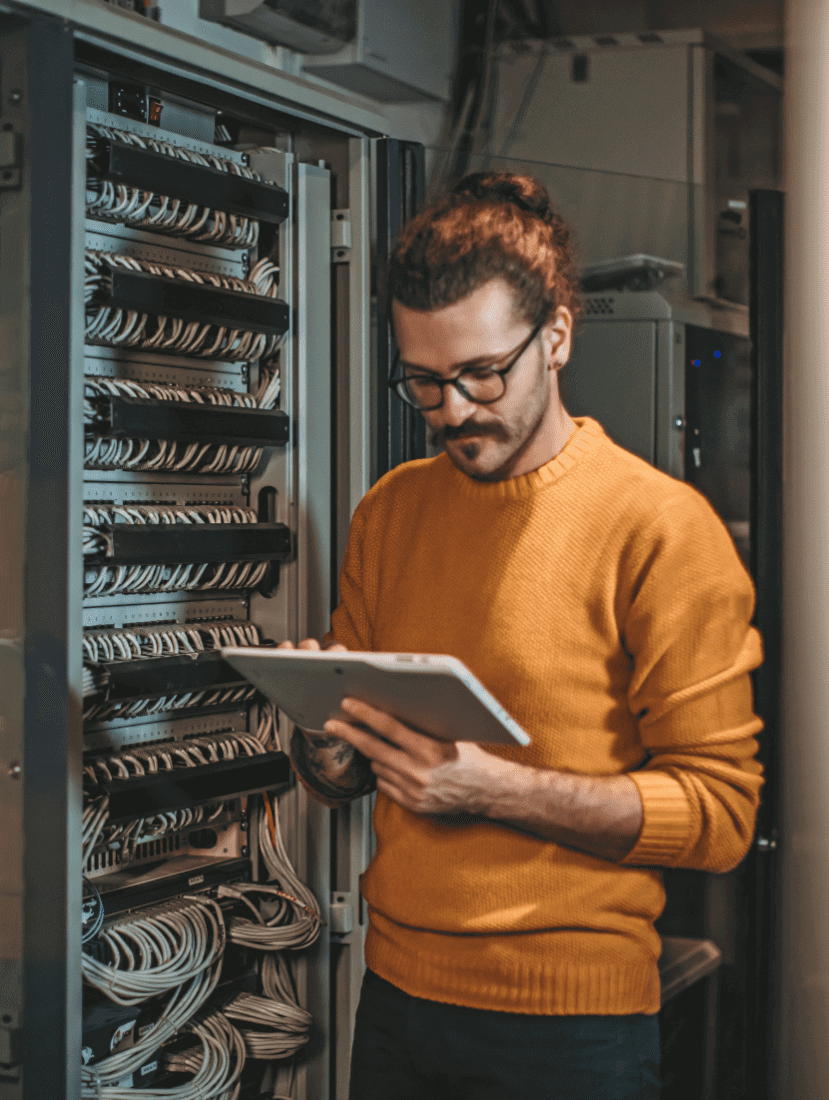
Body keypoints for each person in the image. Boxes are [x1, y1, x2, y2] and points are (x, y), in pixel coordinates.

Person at [280, 172, 764, 1100]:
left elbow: (719, 819)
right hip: (394, 997)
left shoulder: (657, 527)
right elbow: (340, 778)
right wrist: (325, 741)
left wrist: (493, 790)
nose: (453, 411)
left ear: (556, 337)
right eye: (423, 381)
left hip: (571, 1031)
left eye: (480, 374)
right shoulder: (391, 510)